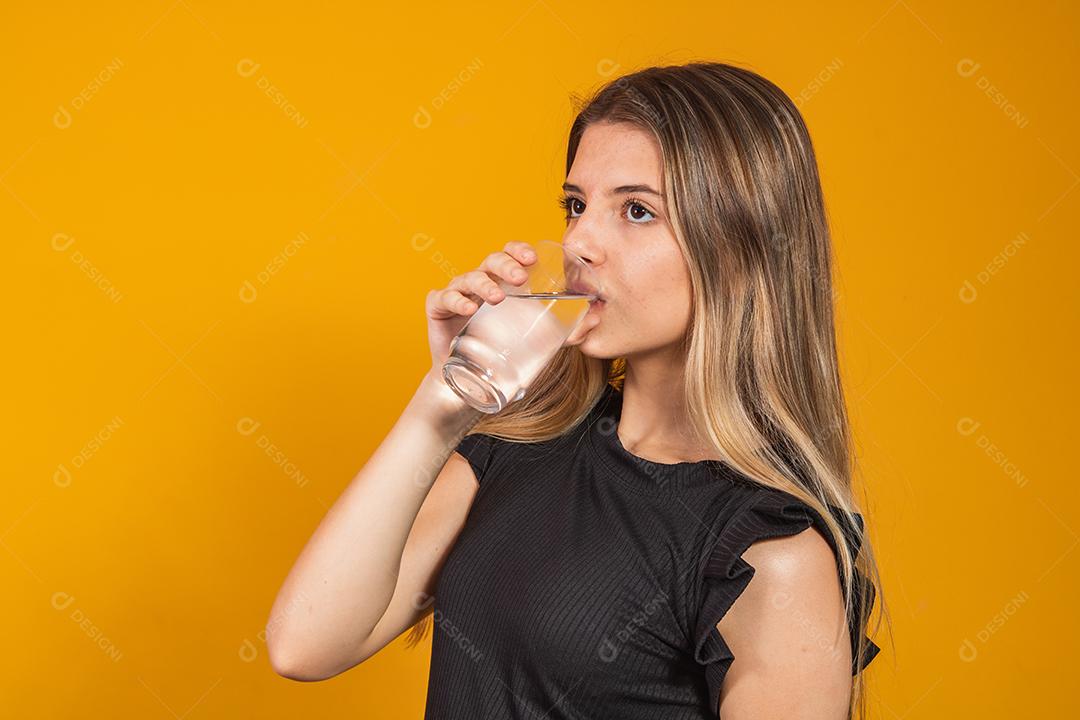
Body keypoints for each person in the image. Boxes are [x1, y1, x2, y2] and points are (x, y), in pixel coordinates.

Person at [266, 61, 888, 719]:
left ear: (739, 251)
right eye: (575, 205)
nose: (580, 241)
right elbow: (304, 644)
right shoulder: (520, 450)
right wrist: (440, 408)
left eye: (638, 210)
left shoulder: (768, 551)